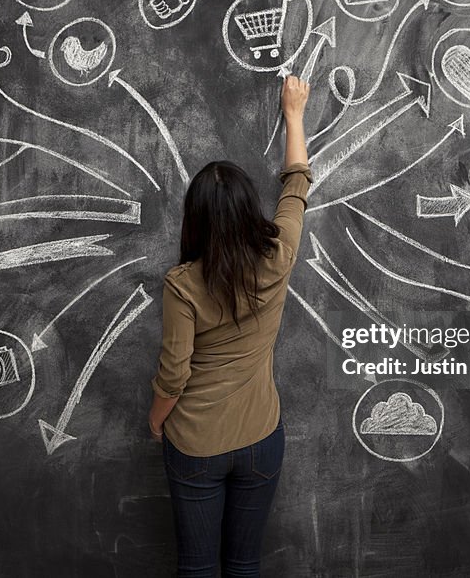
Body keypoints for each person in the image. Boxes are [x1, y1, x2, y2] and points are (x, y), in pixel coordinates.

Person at [148, 75, 312, 577]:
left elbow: (174, 375)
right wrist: (294, 115)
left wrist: (156, 423)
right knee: (244, 565)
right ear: (247, 211)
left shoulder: (182, 285)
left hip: (196, 443)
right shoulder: (278, 255)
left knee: (198, 568)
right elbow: (297, 185)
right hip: (262, 435)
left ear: (194, 220)